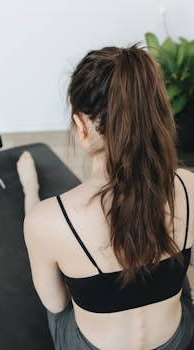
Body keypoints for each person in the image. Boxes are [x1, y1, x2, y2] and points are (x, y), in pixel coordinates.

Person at [17, 42, 194, 350]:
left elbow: (56, 303)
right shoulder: (190, 186)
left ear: (81, 126)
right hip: (177, 340)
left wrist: (30, 188)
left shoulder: (45, 220)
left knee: (58, 310)